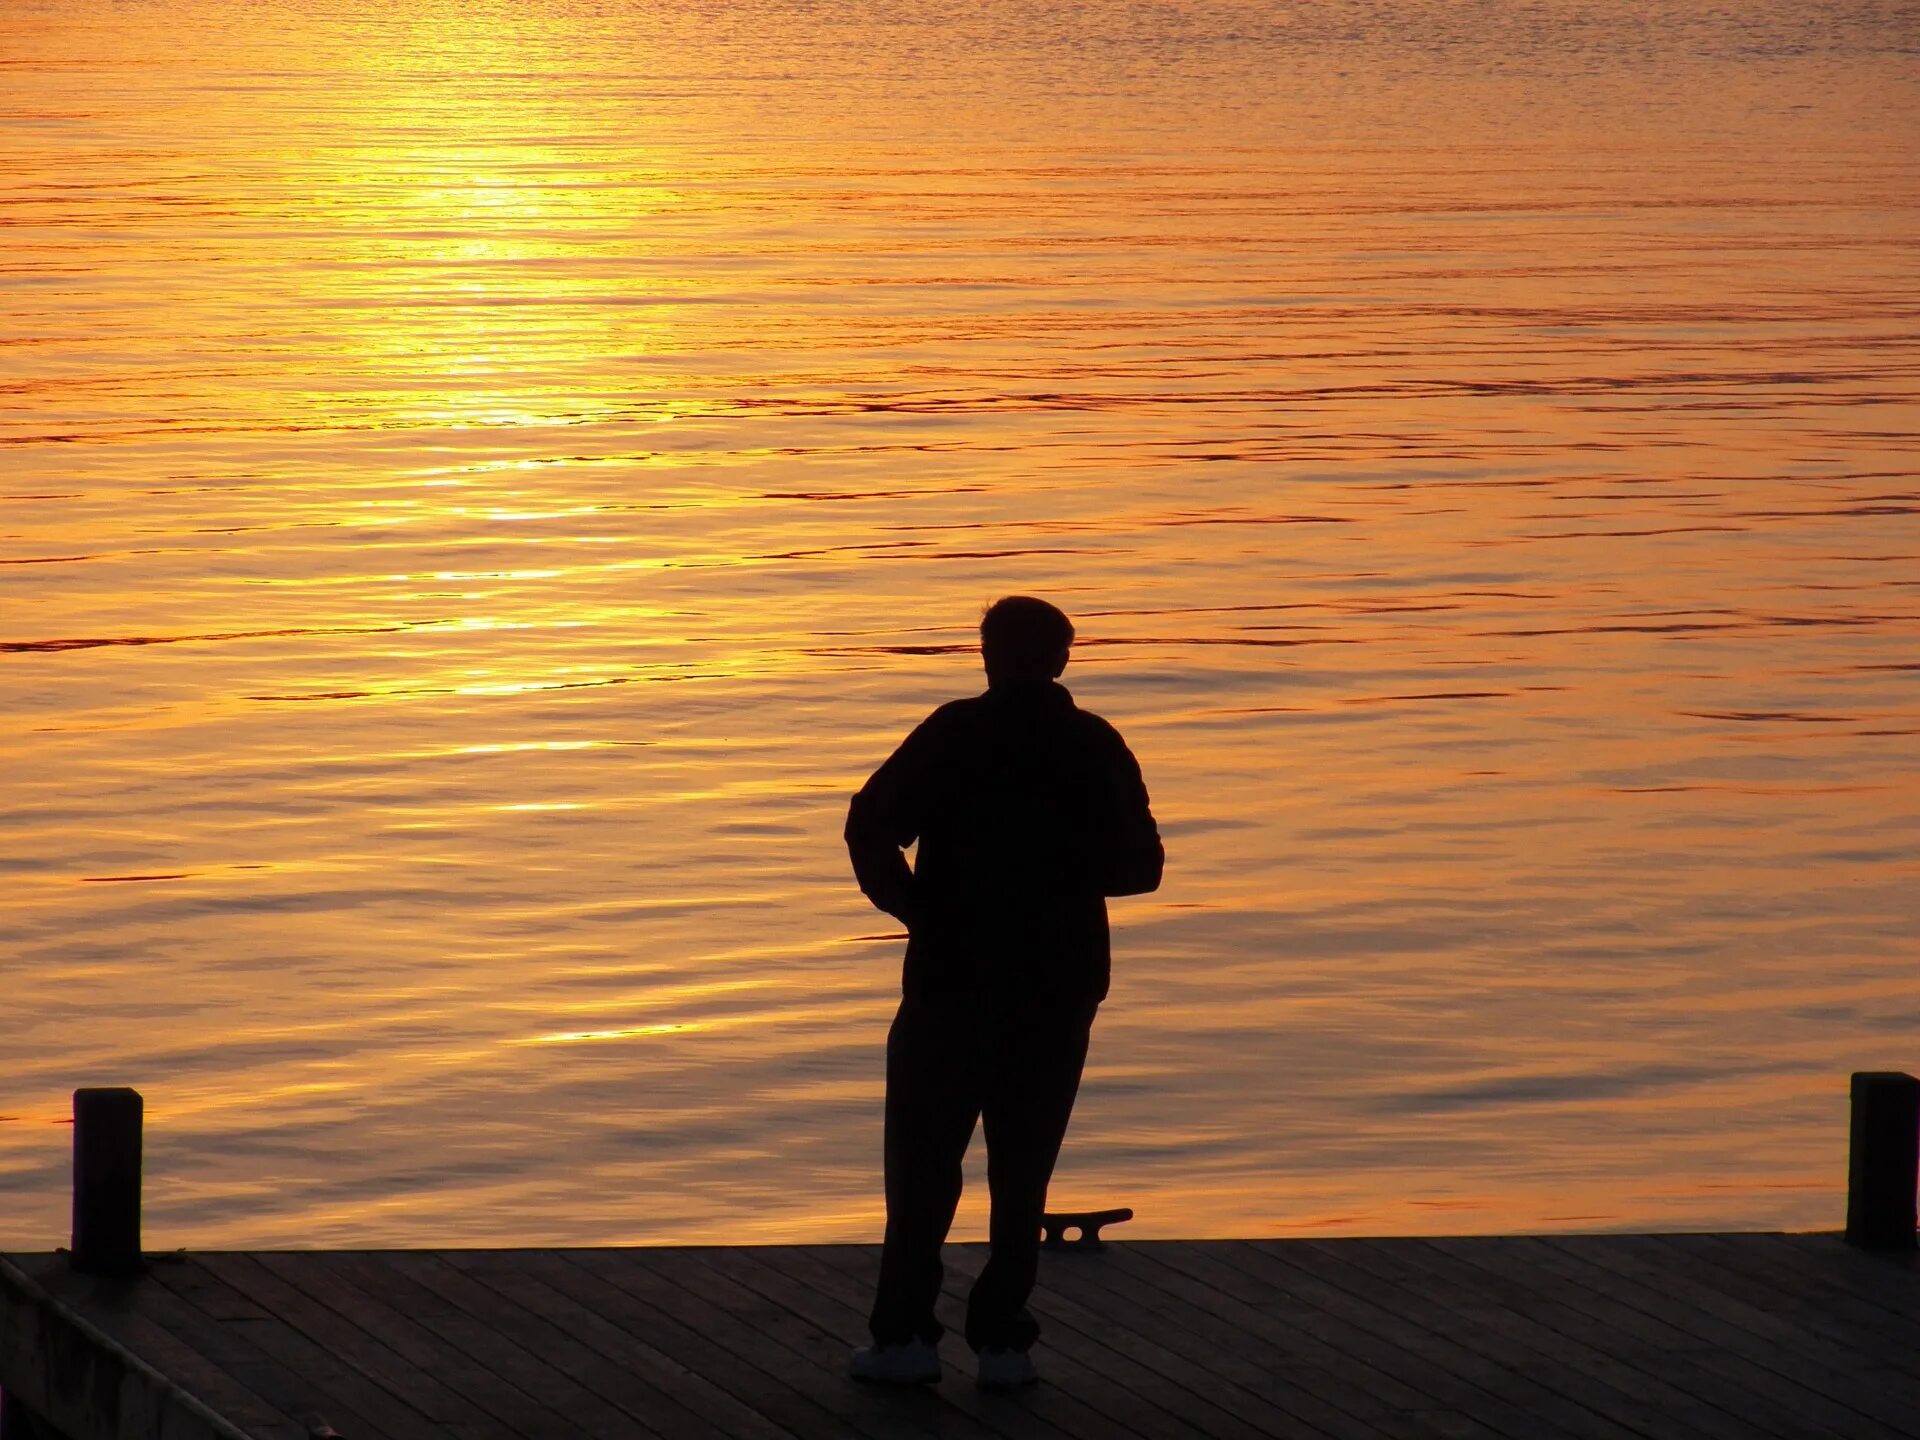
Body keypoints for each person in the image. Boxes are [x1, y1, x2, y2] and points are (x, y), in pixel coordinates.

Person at [844, 595, 1163, 1390]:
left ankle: (904, 1339)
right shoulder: (1093, 744)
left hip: (951, 980)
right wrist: (1061, 873)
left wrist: (916, 910)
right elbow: (1143, 868)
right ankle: (1002, 1345)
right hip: (1057, 985)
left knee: (922, 1167)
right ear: (1062, 659)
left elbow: (869, 826)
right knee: (1024, 1171)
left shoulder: (954, 733)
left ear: (987, 656)